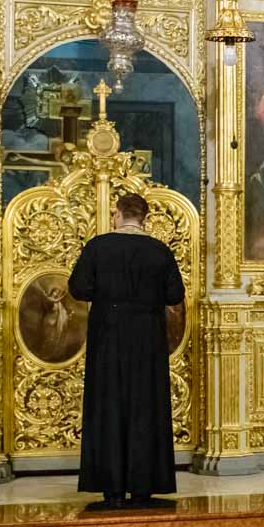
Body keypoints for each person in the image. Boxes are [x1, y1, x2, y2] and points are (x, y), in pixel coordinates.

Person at [69, 192, 185, 509]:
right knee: (146, 408)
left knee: (109, 406)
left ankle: (112, 489)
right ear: (144, 218)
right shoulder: (160, 251)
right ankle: (145, 486)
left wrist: (108, 292)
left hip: (108, 335)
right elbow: (175, 293)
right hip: (148, 339)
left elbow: (78, 287)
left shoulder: (98, 246)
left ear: (118, 214)